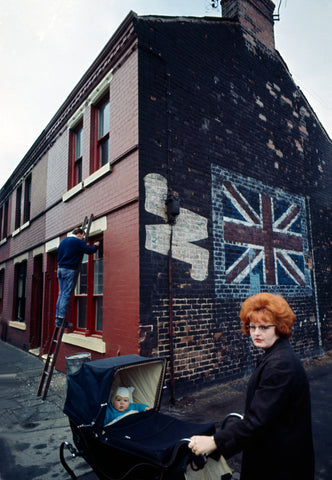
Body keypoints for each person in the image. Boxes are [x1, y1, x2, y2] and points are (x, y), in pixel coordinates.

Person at [188, 292, 315, 480]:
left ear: (279, 328)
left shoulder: (280, 365)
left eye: (264, 327)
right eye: (252, 326)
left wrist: (215, 441)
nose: (256, 333)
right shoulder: (274, 355)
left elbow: (256, 421)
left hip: (280, 464)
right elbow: (263, 415)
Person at [55, 227, 100, 328]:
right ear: (79, 234)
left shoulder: (63, 241)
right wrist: (96, 245)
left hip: (60, 269)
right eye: (82, 236)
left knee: (61, 293)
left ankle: (58, 318)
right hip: (69, 270)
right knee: (66, 294)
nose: (83, 238)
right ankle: (61, 319)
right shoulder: (76, 241)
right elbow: (90, 250)